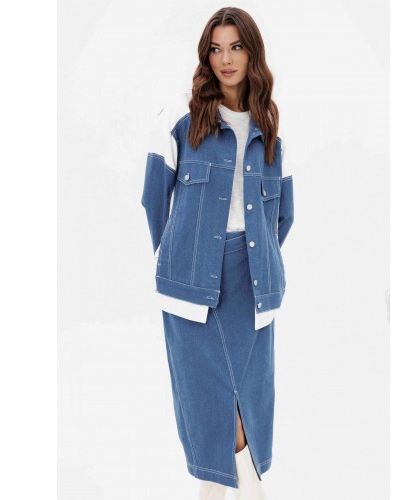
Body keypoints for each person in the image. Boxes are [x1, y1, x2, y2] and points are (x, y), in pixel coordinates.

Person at [141, 7, 294, 499]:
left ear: (252, 53)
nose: (226, 59)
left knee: (246, 416)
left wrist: (258, 259)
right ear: (206, 56)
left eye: (236, 47)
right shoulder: (180, 119)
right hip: (190, 286)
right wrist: (179, 259)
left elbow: (283, 216)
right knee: (211, 419)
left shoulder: (272, 129)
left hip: (252, 288)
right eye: (216, 48)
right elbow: (153, 199)